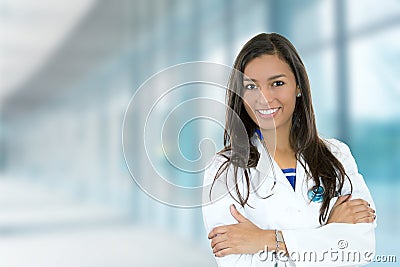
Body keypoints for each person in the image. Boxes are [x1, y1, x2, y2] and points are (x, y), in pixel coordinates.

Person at [202, 33, 376, 267]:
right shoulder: (224, 170)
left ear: (298, 87)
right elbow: (237, 261)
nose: (264, 98)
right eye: (251, 86)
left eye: (277, 83)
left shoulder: (337, 155)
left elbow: (360, 249)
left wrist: (266, 240)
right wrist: (329, 232)